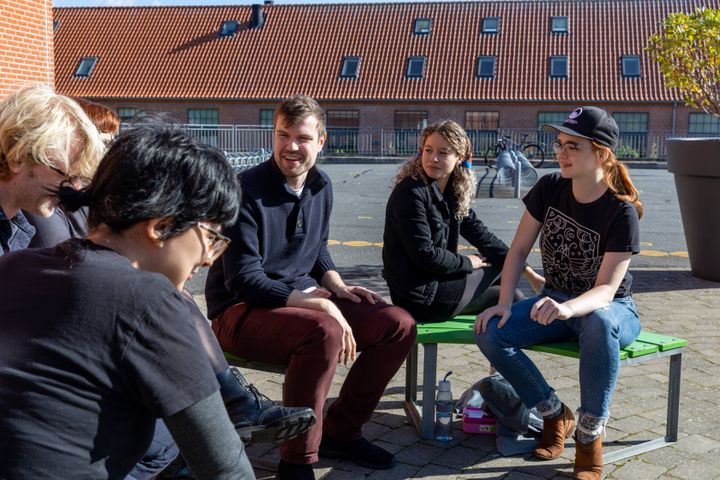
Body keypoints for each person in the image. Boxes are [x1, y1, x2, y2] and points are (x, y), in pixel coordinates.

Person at [0, 121, 255, 479]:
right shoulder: (151, 300)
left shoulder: (13, 266)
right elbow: (225, 467)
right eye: (212, 236)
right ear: (161, 226)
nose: (210, 259)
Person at [205, 95, 417, 480]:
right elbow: (244, 280)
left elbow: (316, 248)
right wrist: (319, 304)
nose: (290, 146)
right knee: (324, 330)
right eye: (282, 135)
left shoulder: (320, 185)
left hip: (299, 298)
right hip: (238, 311)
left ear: (321, 141)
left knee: (397, 324)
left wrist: (337, 286)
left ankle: (341, 431)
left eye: (302, 138)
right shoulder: (244, 191)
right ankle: (297, 460)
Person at [475, 107, 643, 480]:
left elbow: (606, 290)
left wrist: (567, 309)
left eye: (573, 146)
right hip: (555, 299)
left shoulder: (621, 212)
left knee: (598, 321)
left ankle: (589, 436)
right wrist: (504, 303)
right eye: (559, 144)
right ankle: (554, 414)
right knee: (490, 331)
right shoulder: (550, 187)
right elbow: (518, 250)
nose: (561, 153)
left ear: (601, 153)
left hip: (612, 310)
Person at [382, 120, 543, 323]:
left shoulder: (451, 192)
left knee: (513, 297)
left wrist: (529, 273)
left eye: (443, 152)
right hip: (419, 298)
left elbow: (482, 236)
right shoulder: (411, 193)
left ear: (459, 157)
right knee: (500, 266)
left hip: (440, 285)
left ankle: (520, 333)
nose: (433, 158)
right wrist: (468, 263)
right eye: (428, 150)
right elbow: (425, 255)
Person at [0, 84, 104, 255]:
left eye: (80, 178)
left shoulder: (15, 226)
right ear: (17, 157)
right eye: (67, 176)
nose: (76, 188)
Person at [25, 96, 120, 248]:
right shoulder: (46, 194)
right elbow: (56, 252)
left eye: (112, 142)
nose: (107, 152)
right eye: (103, 143)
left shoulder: (95, 189)